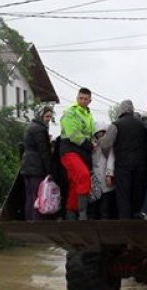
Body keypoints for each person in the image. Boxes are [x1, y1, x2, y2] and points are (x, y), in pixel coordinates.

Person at [99, 99, 147, 219]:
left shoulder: (116, 125)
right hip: (140, 166)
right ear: (132, 110)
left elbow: (106, 144)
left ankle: (125, 223)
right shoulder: (142, 125)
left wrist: (104, 148)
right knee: (137, 195)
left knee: (123, 196)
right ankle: (137, 223)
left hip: (123, 166)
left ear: (120, 110)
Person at [59, 87, 95, 220]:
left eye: (86, 99)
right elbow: (73, 135)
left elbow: (89, 134)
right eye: (81, 98)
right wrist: (90, 145)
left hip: (82, 152)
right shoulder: (70, 112)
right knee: (83, 176)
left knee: (76, 183)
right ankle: (82, 214)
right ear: (77, 98)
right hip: (70, 150)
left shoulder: (89, 115)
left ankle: (71, 214)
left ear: (90, 101)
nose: (83, 101)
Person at [19, 105, 54, 220]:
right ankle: (36, 222)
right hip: (36, 167)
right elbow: (44, 151)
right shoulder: (40, 129)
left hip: (26, 165)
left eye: (50, 116)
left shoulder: (30, 127)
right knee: (37, 196)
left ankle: (29, 220)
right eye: (47, 116)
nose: (48, 119)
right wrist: (49, 170)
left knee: (29, 196)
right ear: (41, 115)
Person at [89, 123, 117, 219]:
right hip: (94, 181)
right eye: (98, 134)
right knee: (94, 208)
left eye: (103, 133)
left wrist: (109, 174)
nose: (101, 136)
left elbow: (111, 159)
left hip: (105, 180)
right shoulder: (91, 146)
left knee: (105, 209)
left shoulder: (108, 146)